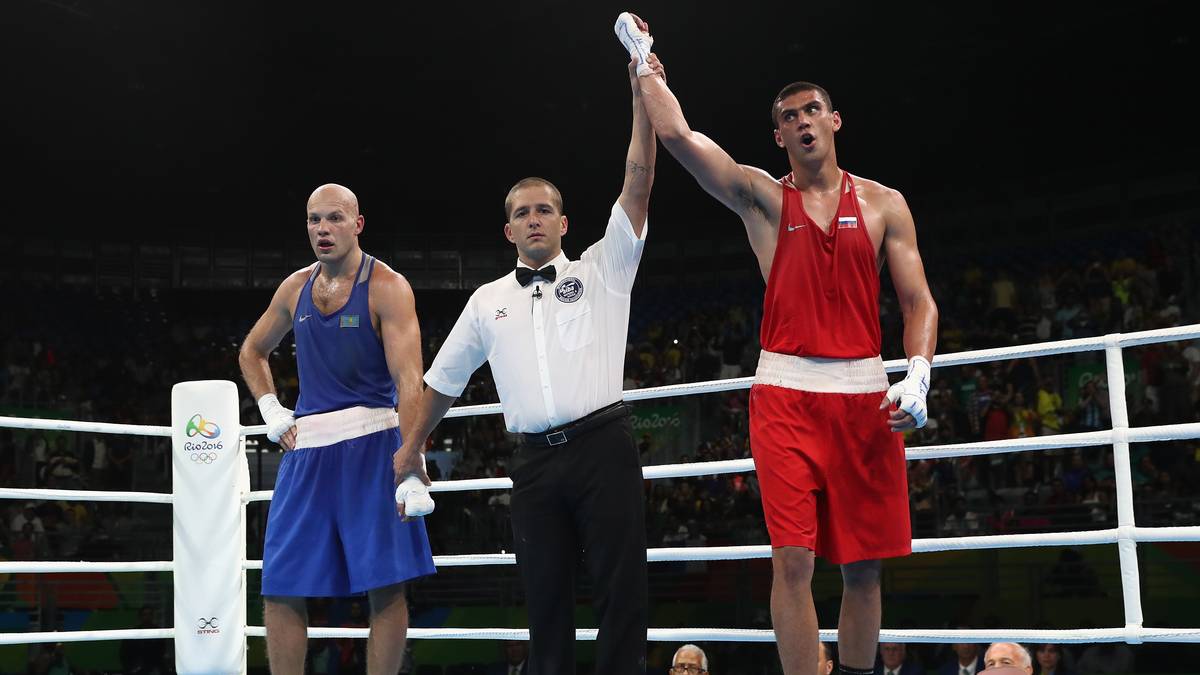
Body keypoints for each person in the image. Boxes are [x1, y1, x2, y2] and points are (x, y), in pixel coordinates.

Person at [617, 15, 938, 675]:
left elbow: (918, 302)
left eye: (812, 109)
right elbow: (678, 135)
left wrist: (921, 375)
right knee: (792, 558)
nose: (802, 121)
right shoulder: (763, 199)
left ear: (835, 120)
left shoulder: (885, 204)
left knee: (863, 566)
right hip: (785, 393)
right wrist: (644, 63)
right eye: (789, 115)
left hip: (864, 394)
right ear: (778, 134)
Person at [393, 47, 656, 674]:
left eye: (543, 209)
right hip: (534, 463)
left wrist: (641, 94)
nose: (533, 218)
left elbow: (640, 177)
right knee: (543, 602)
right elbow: (442, 383)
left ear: (564, 222)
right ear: (507, 231)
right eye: (521, 212)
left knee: (623, 592)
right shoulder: (486, 302)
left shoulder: (604, 268)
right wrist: (408, 451)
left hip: (603, 446)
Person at [239, 183, 436, 675]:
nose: (323, 230)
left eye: (334, 219)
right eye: (313, 220)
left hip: (374, 442)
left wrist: (412, 457)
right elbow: (252, 351)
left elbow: (410, 378)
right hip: (307, 449)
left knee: (386, 584)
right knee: (281, 581)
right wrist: (270, 407)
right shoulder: (294, 288)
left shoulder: (388, 287)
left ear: (357, 224)